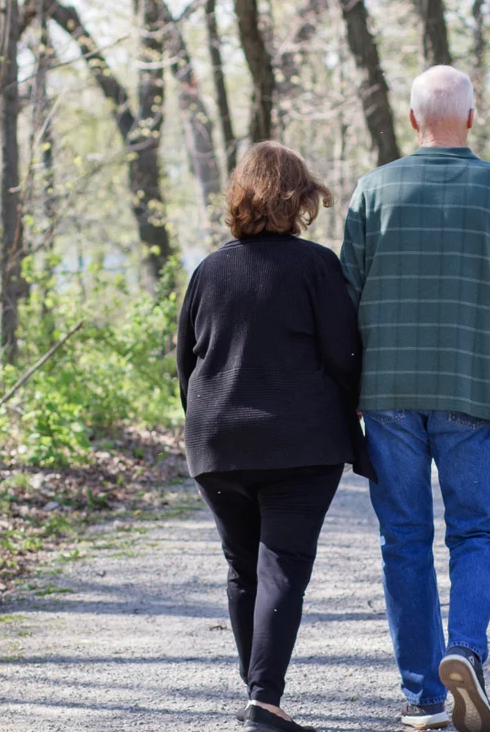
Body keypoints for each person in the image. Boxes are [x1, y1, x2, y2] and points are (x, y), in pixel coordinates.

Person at [340, 66, 490, 732]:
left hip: (388, 394)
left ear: (411, 120)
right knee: (476, 531)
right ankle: (464, 649)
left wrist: (343, 393)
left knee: (403, 537)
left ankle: (422, 694)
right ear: (471, 116)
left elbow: (343, 303)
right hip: (470, 386)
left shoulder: (374, 190)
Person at [177, 141, 374, 732]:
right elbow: (344, 355)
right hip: (301, 444)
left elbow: (186, 362)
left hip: (216, 442)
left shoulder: (209, 269)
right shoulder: (316, 267)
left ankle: (257, 693)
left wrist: (207, 421)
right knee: (282, 564)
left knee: (243, 566)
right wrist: (356, 412)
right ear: (301, 199)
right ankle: (263, 699)